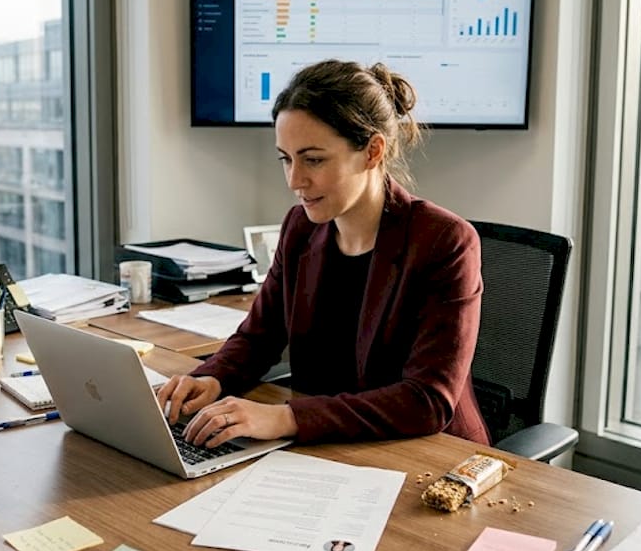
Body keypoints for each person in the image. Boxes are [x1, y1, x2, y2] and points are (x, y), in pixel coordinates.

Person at [156, 59, 489, 448]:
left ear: (372, 151)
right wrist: (211, 379)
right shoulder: (300, 227)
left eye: (313, 159)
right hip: (328, 447)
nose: (295, 180)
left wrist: (285, 417)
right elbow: (258, 337)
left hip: (428, 457)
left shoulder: (444, 241)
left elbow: (427, 400)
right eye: (286, 158)